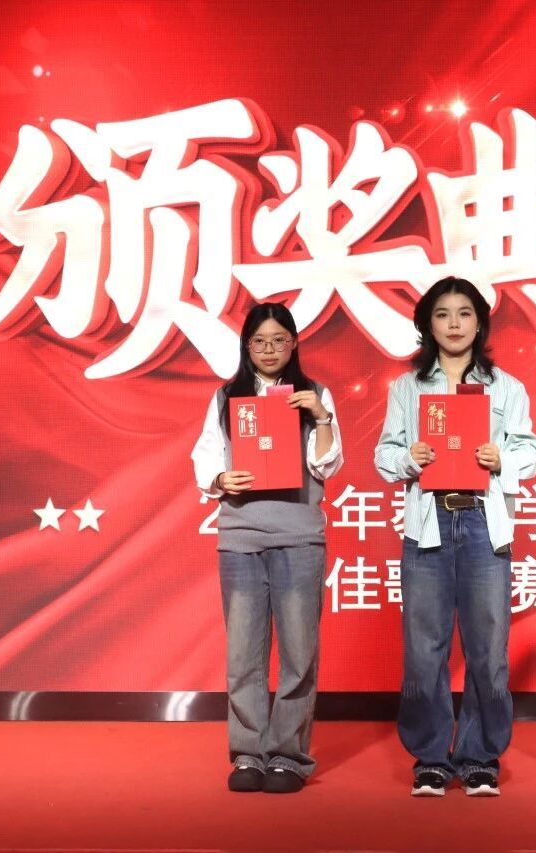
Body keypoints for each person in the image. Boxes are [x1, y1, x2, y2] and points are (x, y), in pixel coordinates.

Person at [375, 276, 536, 797]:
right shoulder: (407, 388)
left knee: (488, 648)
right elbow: (384, 455)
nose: (453, 324)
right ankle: (429, 756)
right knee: (425, 648)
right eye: (442, 314)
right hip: (427, 525)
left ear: (480, 323)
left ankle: (479, 756)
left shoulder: (506, 387)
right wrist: (410, 458)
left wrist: (501, 458)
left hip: (482, 524)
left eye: (464, 313)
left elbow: (530, 452)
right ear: (428, 324)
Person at [191, 301, 343, 794]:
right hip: (241, 536)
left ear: (294, 343)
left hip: (299, 535)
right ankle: (248, 754)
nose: (270, 349)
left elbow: (326, 466)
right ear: (247, 346)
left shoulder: (314, 395)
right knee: (243, 654)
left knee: (299, 652)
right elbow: (205, 456)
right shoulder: (226, 397)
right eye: (259, 341)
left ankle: (287, 756)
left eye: (279, 340)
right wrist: (221, 478)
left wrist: (320, 417)